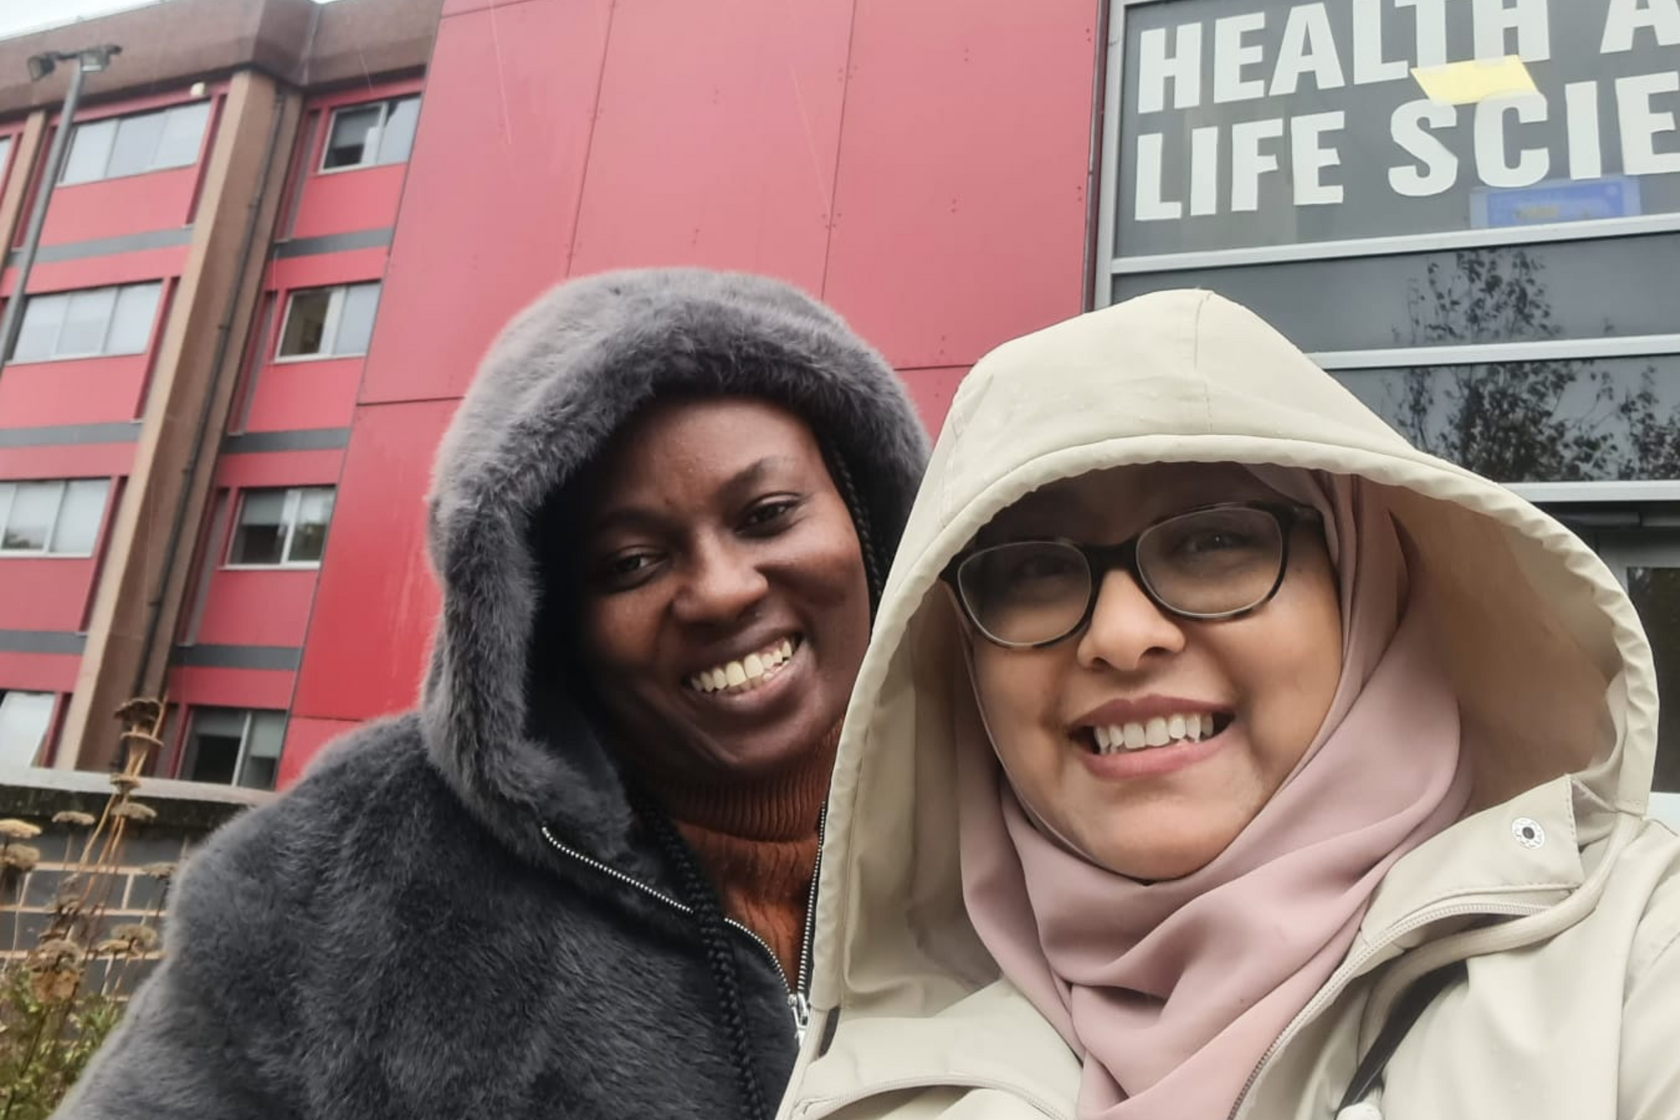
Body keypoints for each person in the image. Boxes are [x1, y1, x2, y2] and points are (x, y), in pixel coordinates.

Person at [775, 290, 1680, 1120]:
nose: (1122, 635)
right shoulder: (884, 1082)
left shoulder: (1634, 963)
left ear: (1361, 582)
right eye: (1032, 570)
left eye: (1215, 539)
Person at [57, 269, 928, 1120]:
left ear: (866, 513)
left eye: (769, 512)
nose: (724, 588)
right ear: (541, 617)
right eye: (631, 563)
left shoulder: (1022, 810)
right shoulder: (343, 882)